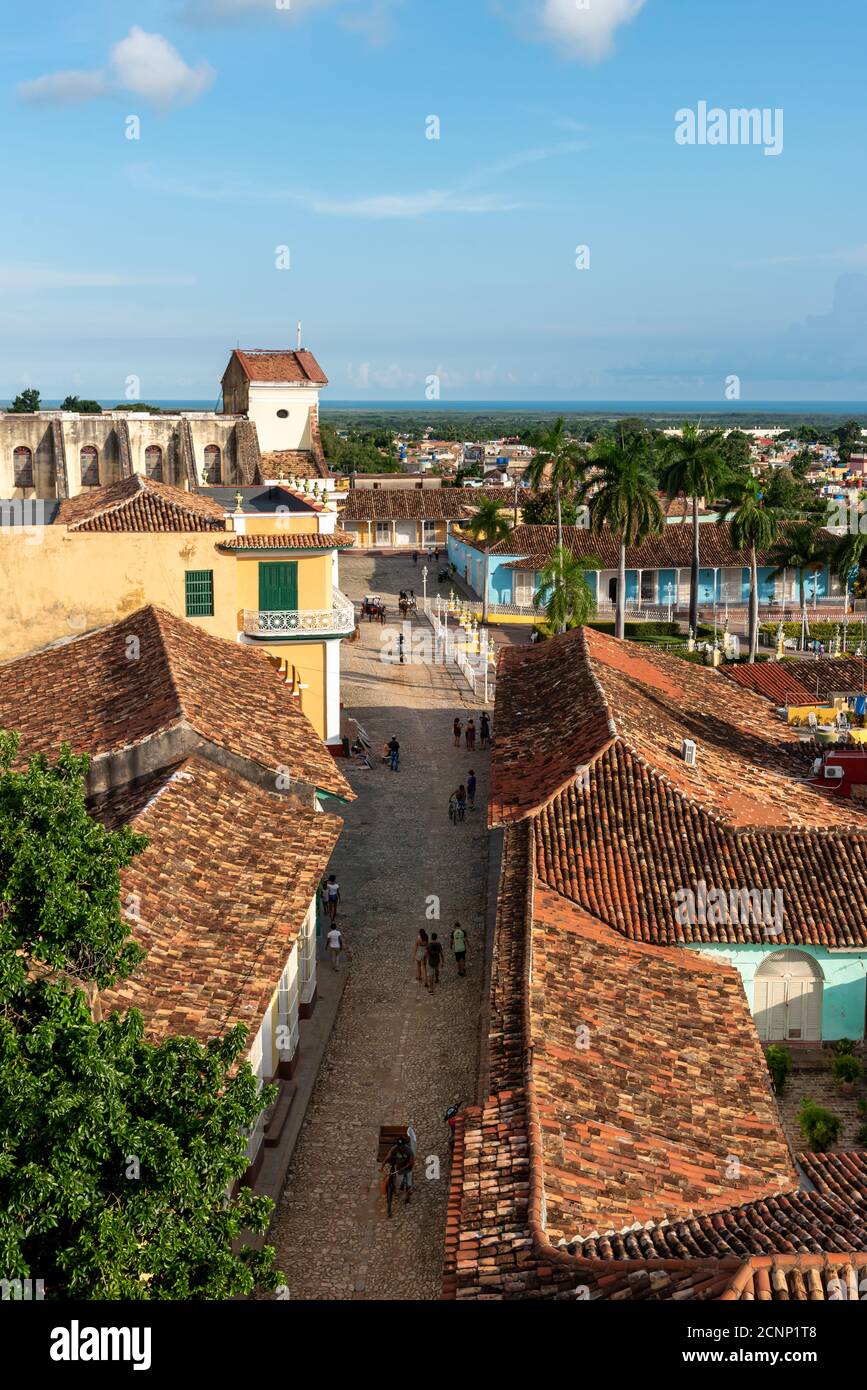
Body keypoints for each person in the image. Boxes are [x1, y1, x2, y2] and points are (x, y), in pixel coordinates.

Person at [382, 1134, 414, 1215]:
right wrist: (382, 1166)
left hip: (407, 1168)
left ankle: (407, 1198)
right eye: (399, 1146)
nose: (400, 1148)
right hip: (398, 1167)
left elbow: (411, 1162)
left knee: (409, 1185)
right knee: (397, 1182)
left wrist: (405, 1168)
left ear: (404, 1145)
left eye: (402, 1146)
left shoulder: (409, 1150)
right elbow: (388, 1157)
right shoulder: (395, 1148)